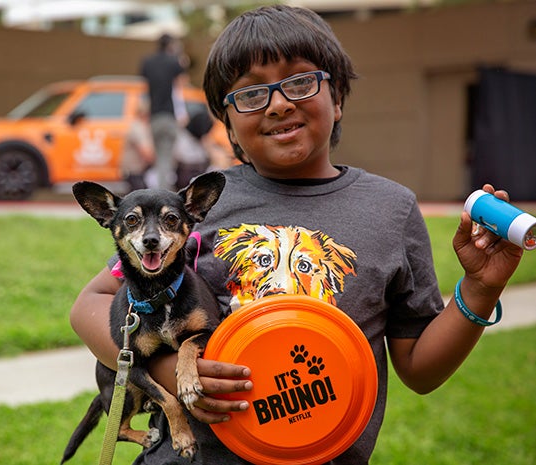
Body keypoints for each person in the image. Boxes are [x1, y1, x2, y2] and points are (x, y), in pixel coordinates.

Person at [70, 5, 523, 464]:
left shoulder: (391, 209)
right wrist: (171, 369)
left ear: (338, 96)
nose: (279, 103)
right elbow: (89, 306)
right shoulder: (195, 208)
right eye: (250, 93)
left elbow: (420, 370)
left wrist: (481, 288)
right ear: (227, 123)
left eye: (301, 82)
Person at [140, 33, 186, 190]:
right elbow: (180, 88)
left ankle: (160, 188)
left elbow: (145, 91)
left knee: (160, 157)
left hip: (154, 117)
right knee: (167, 158)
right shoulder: (173, 62)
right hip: (169, 116)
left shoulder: (147, 62)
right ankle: (163, 191)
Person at [173, 111, 214, 190]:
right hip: (183, 177)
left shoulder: (202, 141)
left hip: (199, 177)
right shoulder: (182, 138)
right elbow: (181, 157)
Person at [120, 99, 155, 192]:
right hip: (134, 173)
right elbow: (147, 154)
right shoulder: (138, 128)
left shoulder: (141, 127)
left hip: (138, 172)